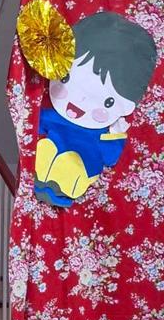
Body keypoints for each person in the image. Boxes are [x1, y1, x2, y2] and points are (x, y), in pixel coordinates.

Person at [34, 10, 157, 207]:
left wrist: (115, 135)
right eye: (65, 79)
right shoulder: (53, 116)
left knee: (71, 167)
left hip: (76, 175)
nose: (81, 100)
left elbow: (110, 156)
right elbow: (33, 125)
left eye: (108, 102)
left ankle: (60, 186)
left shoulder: (102, 134)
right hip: (41, 165)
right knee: (46, 150)